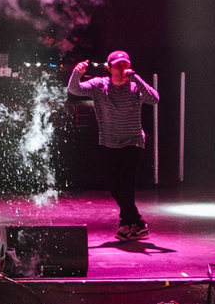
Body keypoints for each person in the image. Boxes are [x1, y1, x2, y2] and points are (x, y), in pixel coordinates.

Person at [66, 52, 160, 241]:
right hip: (109, 142)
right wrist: (76, 73)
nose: (122, 68)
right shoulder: (100, 85)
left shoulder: (135, 85)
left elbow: (154, 99)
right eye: (118, 65)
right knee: (114, 185)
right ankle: (131, 223)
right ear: (109, 68)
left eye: (125, 64)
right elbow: (75, 89)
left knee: (126, 184)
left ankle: (133, 223)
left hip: (133, 142)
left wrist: (136, 77)